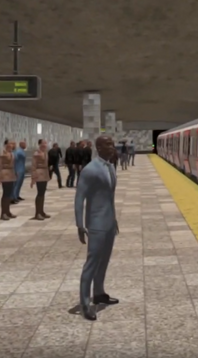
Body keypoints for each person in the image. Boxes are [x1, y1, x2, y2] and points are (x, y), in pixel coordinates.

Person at [74, 135, 120, 321]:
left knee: (104, 261)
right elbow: (79, 198)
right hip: (96, 225)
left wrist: (114, 219)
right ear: (98, 148)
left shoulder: (110, 167)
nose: (112, 147)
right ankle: (85, 303)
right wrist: (80, 224)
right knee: (92, 263)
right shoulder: (90, 170)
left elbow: (109, 197)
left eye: (112, 144)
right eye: (108, 145)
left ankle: (99, 293)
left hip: (109, 223)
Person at [0, 139, 17, 221]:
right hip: (5, 174)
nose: (12, 145)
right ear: (6, 144)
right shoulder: (2, 153)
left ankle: (7, 211)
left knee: (9, 194)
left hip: (10, 173)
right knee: (5, 194)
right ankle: (3, 213)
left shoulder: (11, 153)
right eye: (11, 143)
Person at [30, 139, 51, 221]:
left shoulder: (45, 152)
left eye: (45, 143)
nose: (45, 144)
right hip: (39, 174)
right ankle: (37, 213)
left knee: (42, 193)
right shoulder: (37, 153)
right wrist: (33, 177)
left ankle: (41, 211)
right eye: (43, 143)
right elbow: (33, 166)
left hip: (44, 173)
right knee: (40, 193)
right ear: (39, 144)